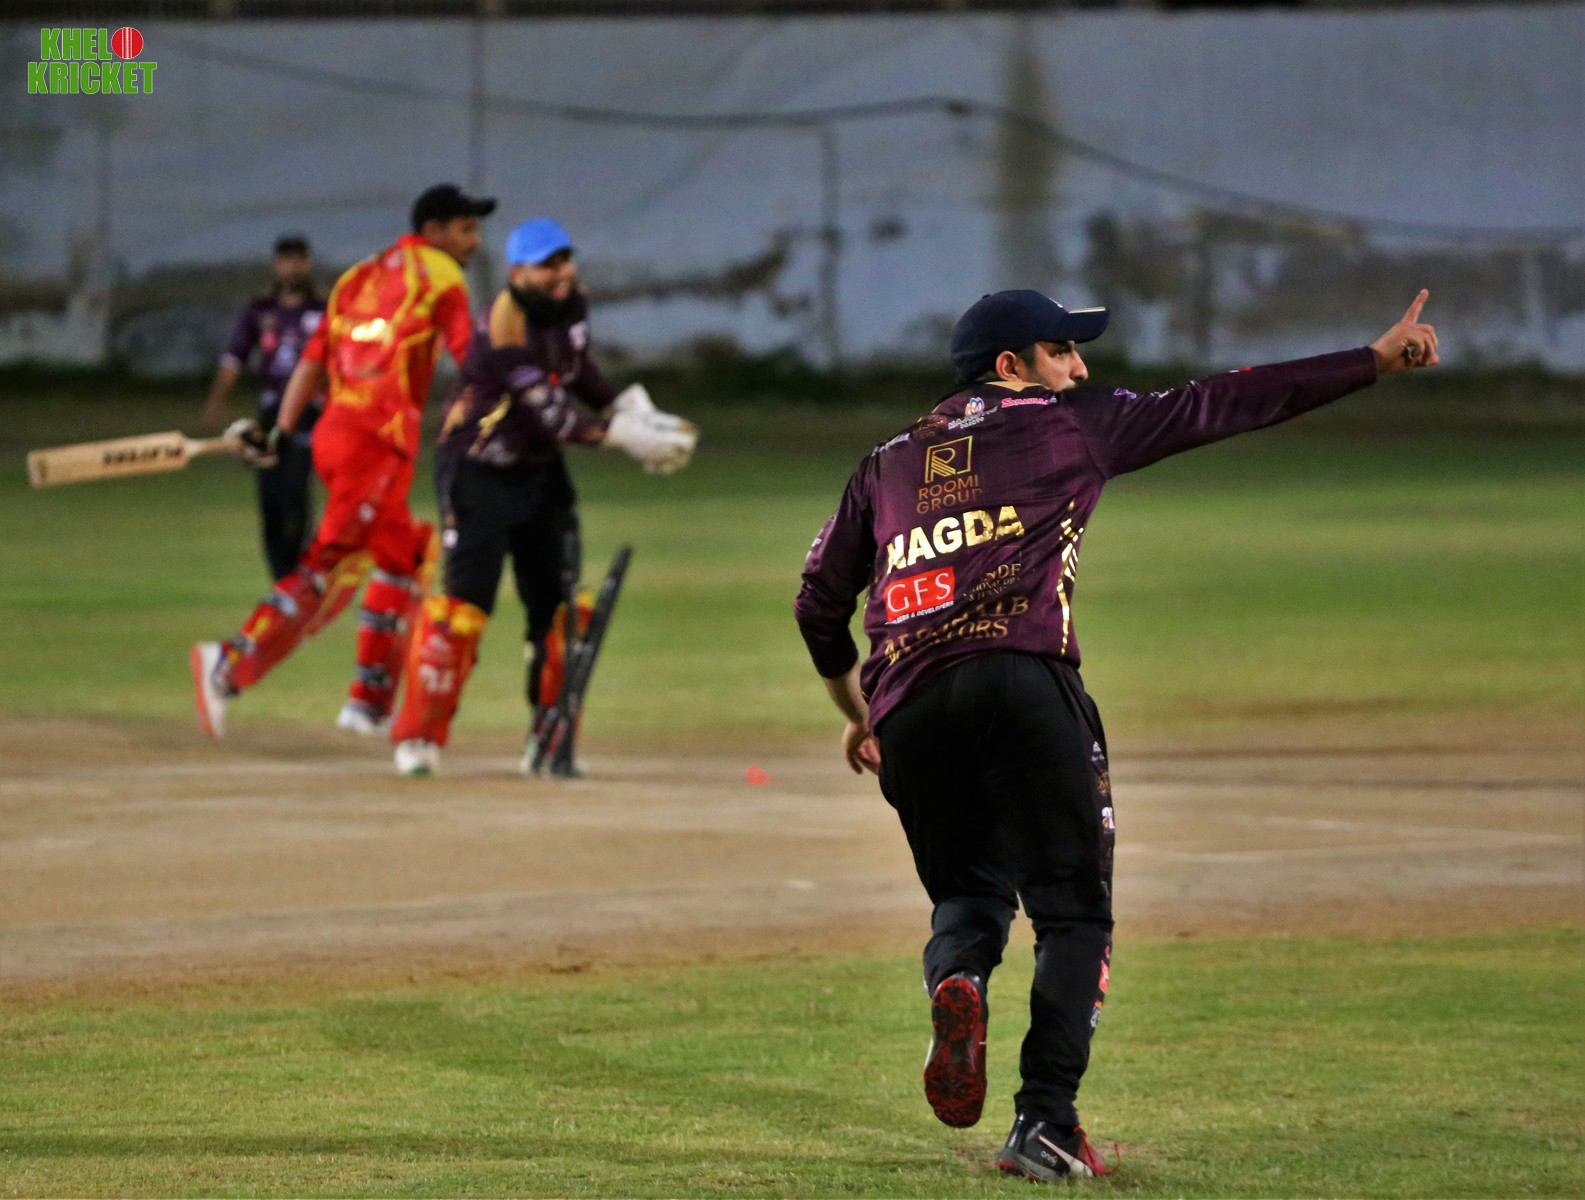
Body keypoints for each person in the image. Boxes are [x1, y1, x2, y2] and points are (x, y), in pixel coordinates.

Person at [793, 288, 1439, 1180]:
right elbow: (1224, 400)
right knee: (1071, 910)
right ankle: (1045, 1125)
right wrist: (1370, 360)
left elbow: (817, 603)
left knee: (967, 897)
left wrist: (859, 715)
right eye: (1062, 350)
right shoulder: (1065, 424)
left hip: (909, 708)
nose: (1080, 366)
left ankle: (960, 982)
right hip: (1022, 683)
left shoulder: (885, 463)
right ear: (1011, 367)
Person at [389, 217, 695, 777]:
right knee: (463, 610)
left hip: (539, 472)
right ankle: (419, 738)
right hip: (477, 470)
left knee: (559, 614)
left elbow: (576, 369)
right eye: (545, 265)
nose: (559, 273)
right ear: (517, 273)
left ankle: (548, 741)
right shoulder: (504, 327)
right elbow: (551, 417)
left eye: (563, 260)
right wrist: (623, 437)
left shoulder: (570, 304)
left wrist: (627, 407)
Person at [190, 184, 496, 740]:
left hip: (339, 434)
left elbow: (312, 363)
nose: (474, 241)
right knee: (328, 565)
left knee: (406, 557)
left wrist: (283, 432)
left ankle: (368, 705)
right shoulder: (442, 277)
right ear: (433, 232)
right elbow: (473, 360)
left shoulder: (358, 276)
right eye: (466, 229)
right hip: (374, 443)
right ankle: (227, 666)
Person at [202, 233, 326, 581]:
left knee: (295, 492)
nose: (292, 267)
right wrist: (217, 401)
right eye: (286, 260)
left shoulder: (323, 310)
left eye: (298, 259)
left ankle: (299, 573)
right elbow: (234, 358)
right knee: (270, 497)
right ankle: (281, 578)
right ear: (277, 264)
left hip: (309, 412)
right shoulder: (261, 310)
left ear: (307, 263)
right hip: (271, 412)